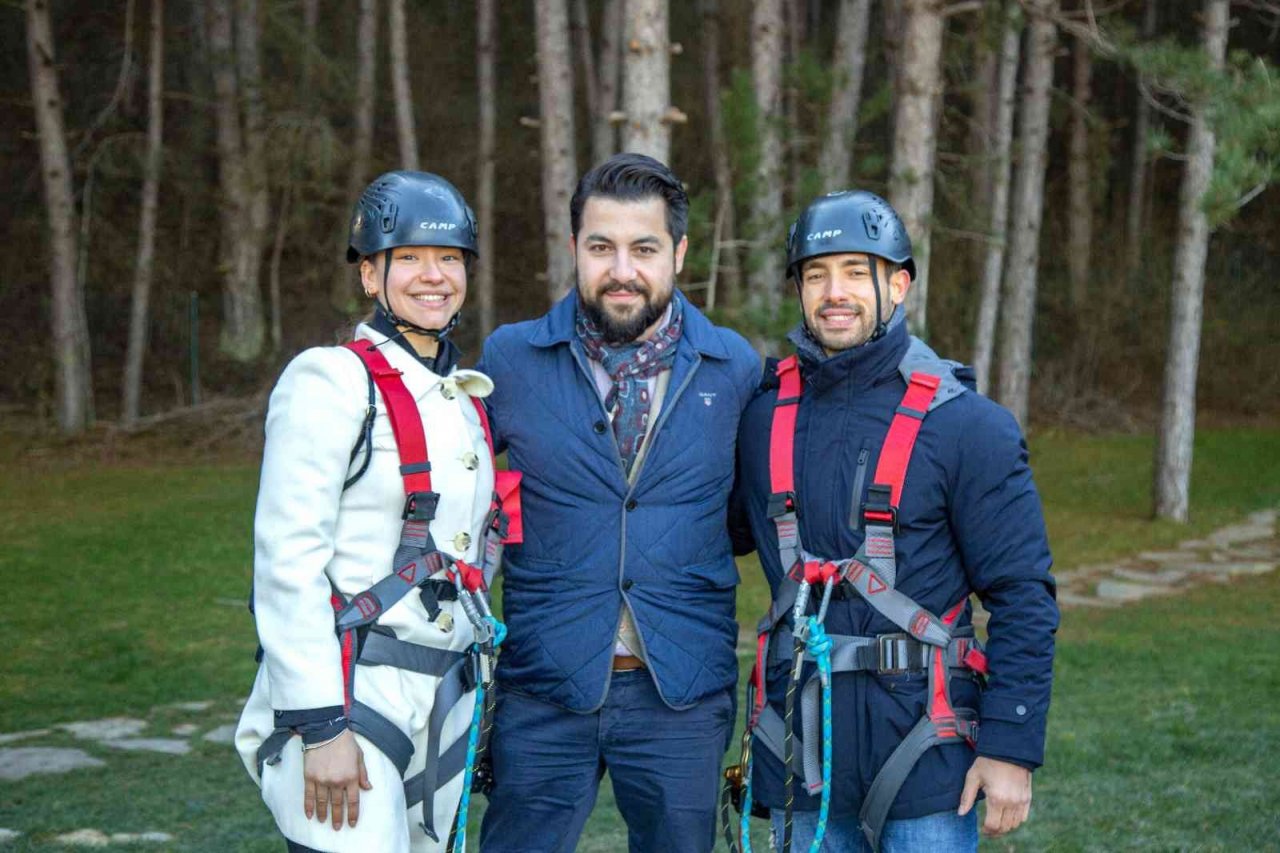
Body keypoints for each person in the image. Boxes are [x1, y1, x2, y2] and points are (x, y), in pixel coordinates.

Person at [727, 190, 1059, 852]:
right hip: (800, 757)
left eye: (857, 270)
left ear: (899, 283)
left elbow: (1024, 594)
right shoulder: (761, 418)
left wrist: (1011, 745)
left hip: (928, 760)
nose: (834, 292)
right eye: (816, 274)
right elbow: (708, 534)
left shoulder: (967, 426)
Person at [475, 153, 761, 853]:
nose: (622, 269)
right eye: (601, 247)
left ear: (679, 253)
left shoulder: (737, 369)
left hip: (681, 694)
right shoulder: (510, 359)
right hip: (543, 684)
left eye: (645, 248)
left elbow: (745, 521)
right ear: (574, 248)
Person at [236, 170, 512, 852]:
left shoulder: (467, 398)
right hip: (353, 693)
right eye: (410, 257)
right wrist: (320, 723)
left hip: (443, 696)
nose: (434, 275)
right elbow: (286, 558)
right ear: (369, 275)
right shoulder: (330, 380)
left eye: (449, 258)